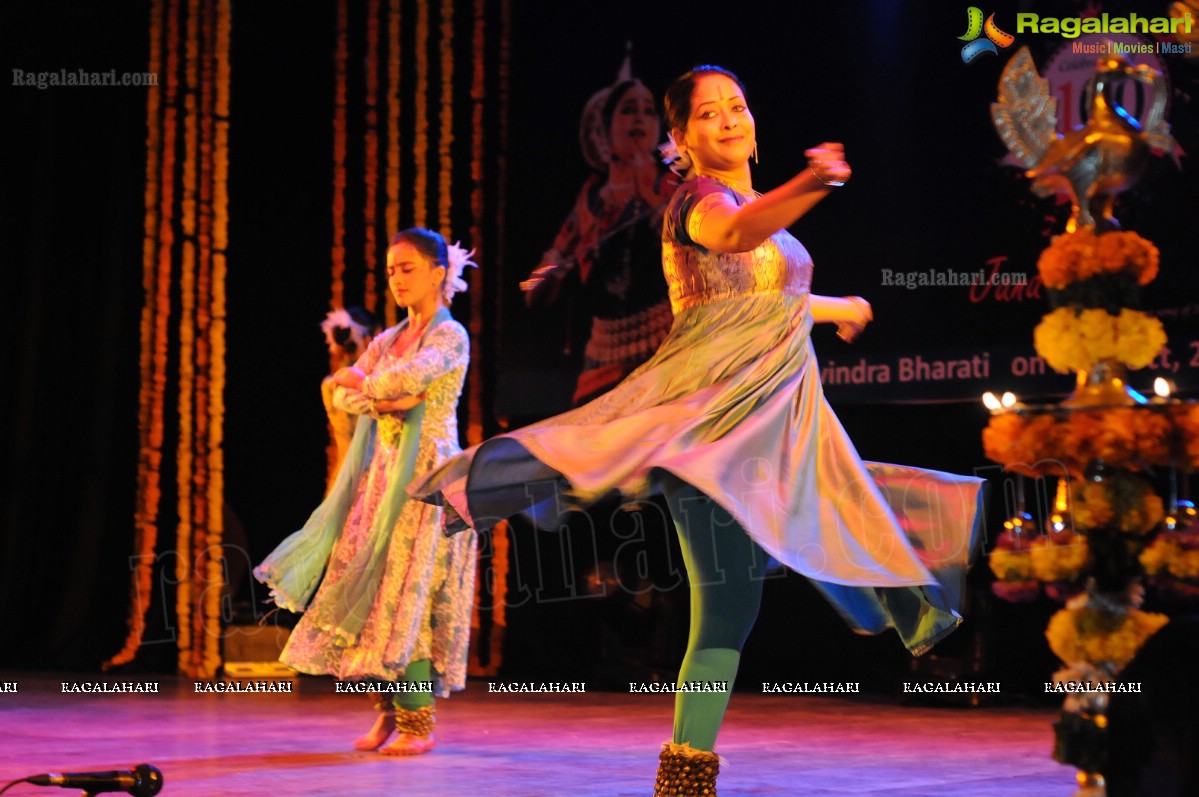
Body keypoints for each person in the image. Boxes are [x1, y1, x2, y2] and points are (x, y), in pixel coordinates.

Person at [411, 66, 982, 794]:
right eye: (708, 114)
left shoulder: (749, 201)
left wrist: (834, 306)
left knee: (737, 607)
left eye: (737, 106)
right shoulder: (697, 200)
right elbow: (738, 238)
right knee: (724, 609)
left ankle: (686, 767)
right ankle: (683, 773)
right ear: (679, 139)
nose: (728, 120)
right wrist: (815, 182)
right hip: (714, 438)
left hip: (775, 431)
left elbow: (761, 300)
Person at [255, 228, 477, 756]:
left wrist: (371, 386)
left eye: (408, 268)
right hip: (380, 481)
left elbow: (389, 382)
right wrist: (382, 395)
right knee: (371, 599)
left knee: (411, 600)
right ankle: (386, 713)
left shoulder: (451, 337)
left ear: (439, 271)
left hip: (428, 485)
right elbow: (343, 393)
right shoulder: (387, 339)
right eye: (392, 270)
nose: (397, 279)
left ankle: (417, 724)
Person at [521, 75, 678, 406]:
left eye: (648, 111)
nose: (639, 118)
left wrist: (647, 183)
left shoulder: (671, 187)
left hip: (664, 343)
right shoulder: (591, 196)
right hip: (602, 351)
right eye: (628, 110)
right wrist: (546, 275)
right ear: (605, 130)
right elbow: (547, 275)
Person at [319, 306, 380, 491]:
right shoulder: (371, 385)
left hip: (343, 475)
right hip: (370, 477)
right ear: (368, 339)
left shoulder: (329, 384)